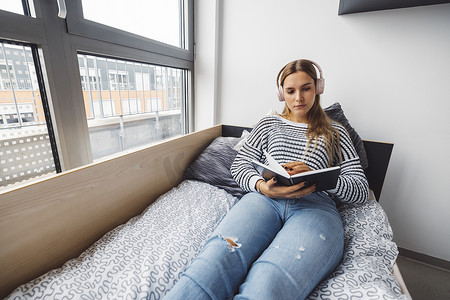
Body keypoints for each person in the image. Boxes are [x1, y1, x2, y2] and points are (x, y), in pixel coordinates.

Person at [165, 59, 369, 300]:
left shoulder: (336, 131)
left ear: (318, 88)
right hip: (263, 200)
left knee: (268, 280)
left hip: (316, 207)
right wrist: (262, 186)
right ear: (281, 93)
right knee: (215, 260)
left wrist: (321, 177)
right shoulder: (268, 124)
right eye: (290, 91)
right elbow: (240, 164)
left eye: (306, 88)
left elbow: (360, 190)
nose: (298, 98)